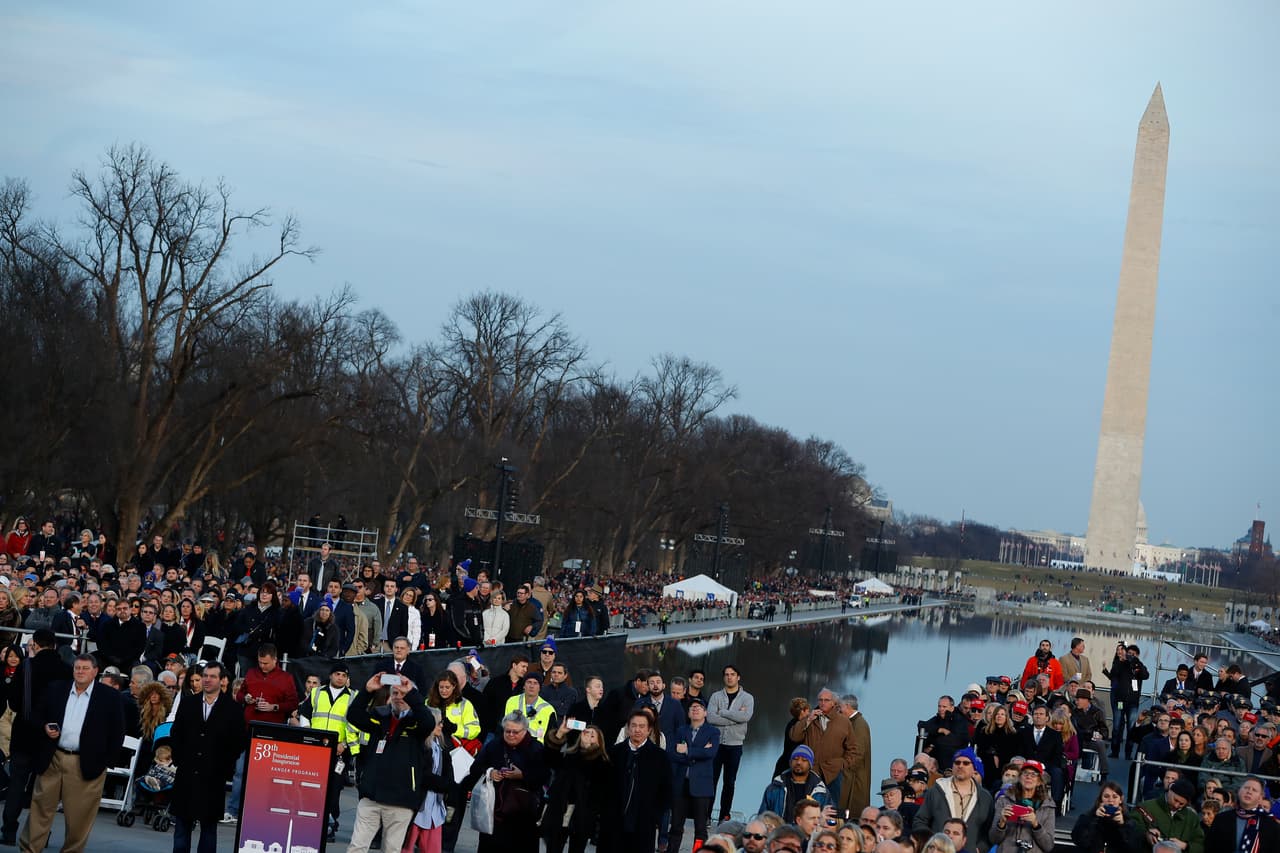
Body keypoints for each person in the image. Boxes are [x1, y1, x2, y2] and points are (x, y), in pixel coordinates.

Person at [19, 653, 125, 853]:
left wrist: (105, 762)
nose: (80, 672)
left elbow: (117, 731)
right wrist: (44, 726)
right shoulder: (56, 688)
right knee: (40, 810)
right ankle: (29, 850)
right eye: (77, 668)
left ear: (95, 672)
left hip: (85, 764)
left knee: (79, 818)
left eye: (85, 668)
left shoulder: (109, 697)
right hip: (53, 758)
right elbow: (35, 714)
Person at [346, 671, 445, 853]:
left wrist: (412, 694)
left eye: (403, 693)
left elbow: (428, 722)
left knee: (391, 849)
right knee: (357, 847)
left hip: (401, 800)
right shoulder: (379, 718)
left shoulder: (417, 723)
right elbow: (353, 715)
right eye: (395, 693)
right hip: (371, 797)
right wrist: (367, 691)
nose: (399, 697)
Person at [2, 631, 71, 845]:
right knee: (44, 789)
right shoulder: (67, 670)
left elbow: (13, 703)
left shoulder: (27, 667)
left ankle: (9, 830)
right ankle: (40, 834)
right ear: (54, 645)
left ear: (36, 645)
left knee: (16, 783)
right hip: (52, 736)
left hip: (24, 733)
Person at [169, 660, 243, 853]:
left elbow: (238, 742)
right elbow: (176, 734)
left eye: (212, 676)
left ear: (222, 680)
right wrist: (179, 760)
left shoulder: (233, 709)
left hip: (213, 776)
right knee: (182, 827)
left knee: (209, 827)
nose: (207, 680)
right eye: (205, 676)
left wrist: (224, 767)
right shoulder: (188, 703)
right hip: (187, 773)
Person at [224, 643, 299, 823]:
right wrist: (247, 698)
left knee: (266, 775)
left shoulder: (286, 678)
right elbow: (240, 695)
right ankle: (233, 809)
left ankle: (259, 811)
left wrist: (275, 707)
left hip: (271, 732)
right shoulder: (251, 673)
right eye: (260, 662)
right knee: (240, 772)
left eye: (265, 663)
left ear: (275, 660)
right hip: (249, 729)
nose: (262, 666)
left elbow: (293, 703)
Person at [469, 711, 550, 853]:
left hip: (524, 815)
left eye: (515, 732)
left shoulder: (536, 748)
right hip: (495, 811)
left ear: (525, 731)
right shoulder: (494, 745)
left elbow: (544, 776)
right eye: (507, 731)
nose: (511, 735)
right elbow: (475, 768)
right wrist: (490, 772)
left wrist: (522, 775)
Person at [299, 662, 362, 841]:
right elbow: (305, 714)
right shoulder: (317, 693)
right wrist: (311, 736)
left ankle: (330, 826)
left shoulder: (353, 697)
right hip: (316, 750)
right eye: (337, 674)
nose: (340, 677)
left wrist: (345, 745)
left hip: (339, 752)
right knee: (312, 788)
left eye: (344, 675)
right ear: (331, 675)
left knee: (333, 791)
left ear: (347, 678)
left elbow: (356, 725)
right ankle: (311, 823)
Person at [605, 709, 673, 853]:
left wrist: (654, 816)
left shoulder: (659, 757)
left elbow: (666, 790)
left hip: (644, 823)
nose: (637, 730)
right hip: (614, 821)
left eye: (642, 726)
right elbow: (603, 785)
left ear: (649, 730)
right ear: (628, 729)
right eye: (634, 726)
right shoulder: (614, 753)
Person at [543, 720, 612, 853]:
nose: (588, 736)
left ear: (599, 742)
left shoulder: (603, 763)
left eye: (592, 736)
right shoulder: (569, 755)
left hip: (582, 814)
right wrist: (560, 734)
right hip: (560, 810)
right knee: (553, 846)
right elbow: (549, 760)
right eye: (586, 733)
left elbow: (596, 785)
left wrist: (587, 750)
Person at [665, 696, 720, 853]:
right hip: (681, 784)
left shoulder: (713, 732)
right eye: (692, 708)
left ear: (705, 713)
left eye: (699, 707)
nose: (695, 709)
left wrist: (687, 750)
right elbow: (672, 753)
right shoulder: (680, 731)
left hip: (702, 786)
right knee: (676, 826)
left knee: (700, 829)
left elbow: (711, 753)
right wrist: (699, 752)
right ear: (688, 713)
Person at [912, 748, 993, 853]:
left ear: (974, 768)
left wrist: (979, 849)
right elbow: (920, 821)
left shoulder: (985, 797)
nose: (960, 766)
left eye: (966, 763)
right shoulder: (936, 790)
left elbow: (989, 831)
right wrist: (932, 843)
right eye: (957, 762)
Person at [788, 688, 856, 806]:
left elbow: (853, 749)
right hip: (811, 771)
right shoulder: (810, 718)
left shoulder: (844, 722)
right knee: (808, 806)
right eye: (820, 700)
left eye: (826, 700)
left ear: (834, 703)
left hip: (833, 773)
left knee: (831, 808)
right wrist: (808, 720)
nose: (822, 703)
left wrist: (842, 764)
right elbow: (794, 736)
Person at [707, 664, 756, 823]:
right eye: (727, 674)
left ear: (738, 677)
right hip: (716, 744)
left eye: (732, 674)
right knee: (712, 780)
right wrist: (735, 717)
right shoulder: (715, 696)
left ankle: (724, 816)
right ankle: (706, 815)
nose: (729, 677)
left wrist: (724, 712)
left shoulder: (747, 698)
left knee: (729, 782)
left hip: (735, 745)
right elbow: (710, 718)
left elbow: (745, 717)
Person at [989, 761, 1054, 853]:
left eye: (1033, 774)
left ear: (1039, 781)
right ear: (1019, 778)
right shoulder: (1004, 800)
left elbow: (1048, 846)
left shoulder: (1047, 806)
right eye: (1025, 773)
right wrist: (1002, 823)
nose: (1028, 777)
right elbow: (993, 840)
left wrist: (1036, 825)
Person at [1203, 775, 1279, 852]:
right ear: (1239, 791)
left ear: (1260, 798)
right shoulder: (1222, 818)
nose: (1249, 791)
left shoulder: (1271, 825)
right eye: (1246, 788)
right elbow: (1210, 848)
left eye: (1254, 790)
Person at [1129, 778, 1203, 853]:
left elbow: (1200, 845)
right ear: (1170, 790)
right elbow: (1129, 830)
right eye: (1175, 800)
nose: (1176, 805)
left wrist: (1185, 846)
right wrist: (1146, 834)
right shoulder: (1145, 807)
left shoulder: (1192, 818)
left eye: (1181, 804)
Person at [1103, 642, 1149, 758]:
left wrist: (1136, 663)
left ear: (1137, 655)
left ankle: (1128, 753)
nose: (1130, 656)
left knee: (1131, 727)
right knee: (1117, 725)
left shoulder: (1139, 666)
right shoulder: (1120, 664)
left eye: (1133, 654)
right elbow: (1113, 675)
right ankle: (1115, 751)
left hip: (1133, 703)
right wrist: (1121, 661)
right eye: (1129, 654)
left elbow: (1145, 675)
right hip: (1120, 701)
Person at [760, 745, 830, 818]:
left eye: (804, 760)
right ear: (790, 762)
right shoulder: (775, 788)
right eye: (795, 759)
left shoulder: (821, 791)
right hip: (781, 829)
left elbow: (829, 818)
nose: (799, 762)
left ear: (810, 765)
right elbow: (762, 816)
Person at [1070, 780, 1135, 853]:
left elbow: (1132, 848)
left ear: (1121, 800)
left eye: (1115, 797)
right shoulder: (1087, 817)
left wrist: (1122, 826)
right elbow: (1080, 841)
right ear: (1101, 799)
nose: (1110, 801)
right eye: (1106, 796)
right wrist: (1094, 819)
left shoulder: (1128, 821)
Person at [975, 703, 1020, 793]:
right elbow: (981, 750)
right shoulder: (985, 731)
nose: (999, 716)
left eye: (1002, 714)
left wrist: (998, 754)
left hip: (1005, 769)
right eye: (997, 714)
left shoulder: (1012, 734)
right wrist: (993, 755)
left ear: (1006, 717)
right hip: (987, 767)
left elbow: (1013, 752)